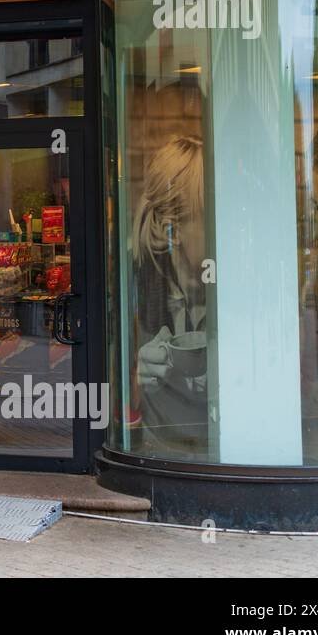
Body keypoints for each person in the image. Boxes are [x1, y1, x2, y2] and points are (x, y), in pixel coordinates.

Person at [129, 134, 209, 453]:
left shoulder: (234, 283)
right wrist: (140, 374)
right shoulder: (134, 284)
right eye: (208, 217)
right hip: (160, 440)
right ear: (168, 227)